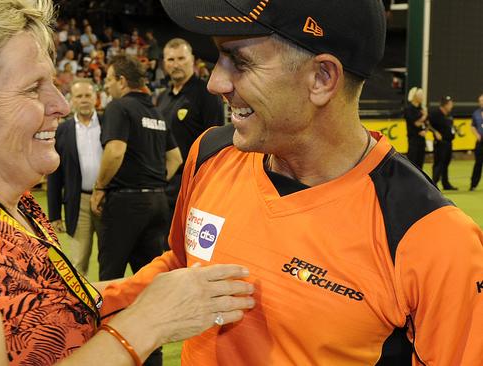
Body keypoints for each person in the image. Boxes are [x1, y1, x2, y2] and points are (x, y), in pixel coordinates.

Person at [0, 1, 256, 365]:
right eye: (33, 88)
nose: (61, 105)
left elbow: (52, 312)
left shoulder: (7, 207)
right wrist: (145, 324)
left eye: (52, 83)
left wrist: (160, 288)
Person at [100, 0, 483, 365]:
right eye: (218, 58)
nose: (216, 82)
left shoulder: (433, 238)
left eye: (240, 61)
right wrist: (80, 302)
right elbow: (182, 267)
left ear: (322, 77)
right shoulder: (212, 154)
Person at [91, 54, 182, 283]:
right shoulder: (156, 112)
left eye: (110, 79)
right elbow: (175, 158)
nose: (107, 85)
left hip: (125, 203)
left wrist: (100, 187)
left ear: (122, 81)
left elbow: (115, 151)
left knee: (110, 276)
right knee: (149, 277)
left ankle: (106, 319)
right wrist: (154, 182)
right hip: (158, 203)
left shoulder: (118, 107)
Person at [156, 38, 225, 225]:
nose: (176, 64)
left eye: (181, 58)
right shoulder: (163, 97)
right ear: (164, 63)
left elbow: (216, 143)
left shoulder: (207, 94)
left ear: (192, 60)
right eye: (170, 60)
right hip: (165, 185)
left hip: (193, 185)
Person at [48, 78, 103, 276]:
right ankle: (82, 306)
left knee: (109, 258)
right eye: (79, 96)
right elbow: (55, 175)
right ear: (72, 101)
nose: (84, 100)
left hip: (107, 200)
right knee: (79, 261)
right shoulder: (63, 130)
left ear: (96, 98)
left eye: (88, 95)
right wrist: (54, 215)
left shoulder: (109, 124)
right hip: (77, 202)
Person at [429, 96, 458, 190]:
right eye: (450, 104)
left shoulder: (448, 115)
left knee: (446, 163)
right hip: (440, 143)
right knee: (438, 163)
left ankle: (446, 184)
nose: (451, 106)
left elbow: (449, 126)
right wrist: (435, 132)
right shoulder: (435, 114)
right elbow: (428, 124)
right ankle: (434, 183)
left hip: (448, 143)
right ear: (444, 105)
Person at [403, 87, 428, 169]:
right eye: (420, 95)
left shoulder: (421, 109)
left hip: (422, 140)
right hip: (413, 140)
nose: (422, 97)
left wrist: (425, 130)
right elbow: (416, 123)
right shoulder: (409, 109)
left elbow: (426, 124)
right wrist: (424, 116)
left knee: (420, 165)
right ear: (415, 96)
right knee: (412, 164)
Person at [470, 93, 483, 191]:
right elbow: (472, 126)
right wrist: (477, 135)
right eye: (480, 101)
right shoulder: (476, 113)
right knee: (478, 163)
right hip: (480, 141)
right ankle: (473, 184)